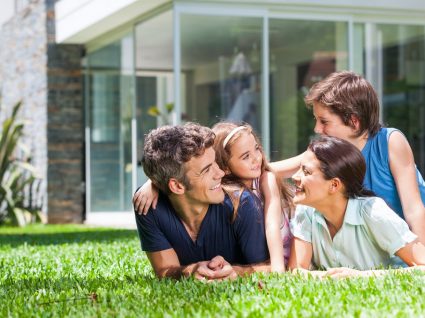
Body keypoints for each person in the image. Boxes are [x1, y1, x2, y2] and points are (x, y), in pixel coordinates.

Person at [271, 71, 425, 244]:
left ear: (354, 121)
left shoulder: (390, 142)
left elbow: (414, 209)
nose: (317, 129)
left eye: (324, 121)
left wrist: (419, 261)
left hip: (408, 246)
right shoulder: (331, 152)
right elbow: (278, 169)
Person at [135, 123, 270, 280]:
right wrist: (190, 271)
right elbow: (164, 270)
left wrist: (237, 271)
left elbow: (271, 267)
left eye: (216, 163)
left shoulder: (242, 204)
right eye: (206, 170)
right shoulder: (148, 205)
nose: (220, 173)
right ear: (177, 186)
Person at [288, 136, 425, 278]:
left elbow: (422, 266)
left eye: (306, 172)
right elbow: (295, 270)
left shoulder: (373, 212)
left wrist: (361, 276)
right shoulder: (306, 210)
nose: (294, 177)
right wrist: (324, 278)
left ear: (334, 185)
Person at [211, 122, 293, 272]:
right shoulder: (226, 194)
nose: (256, 158)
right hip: (257, 262)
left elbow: (272, 225)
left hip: (281, 259)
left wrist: (278, 270)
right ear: (226, 168)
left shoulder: (266, 179)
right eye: (246, 156)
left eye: (256, 149)